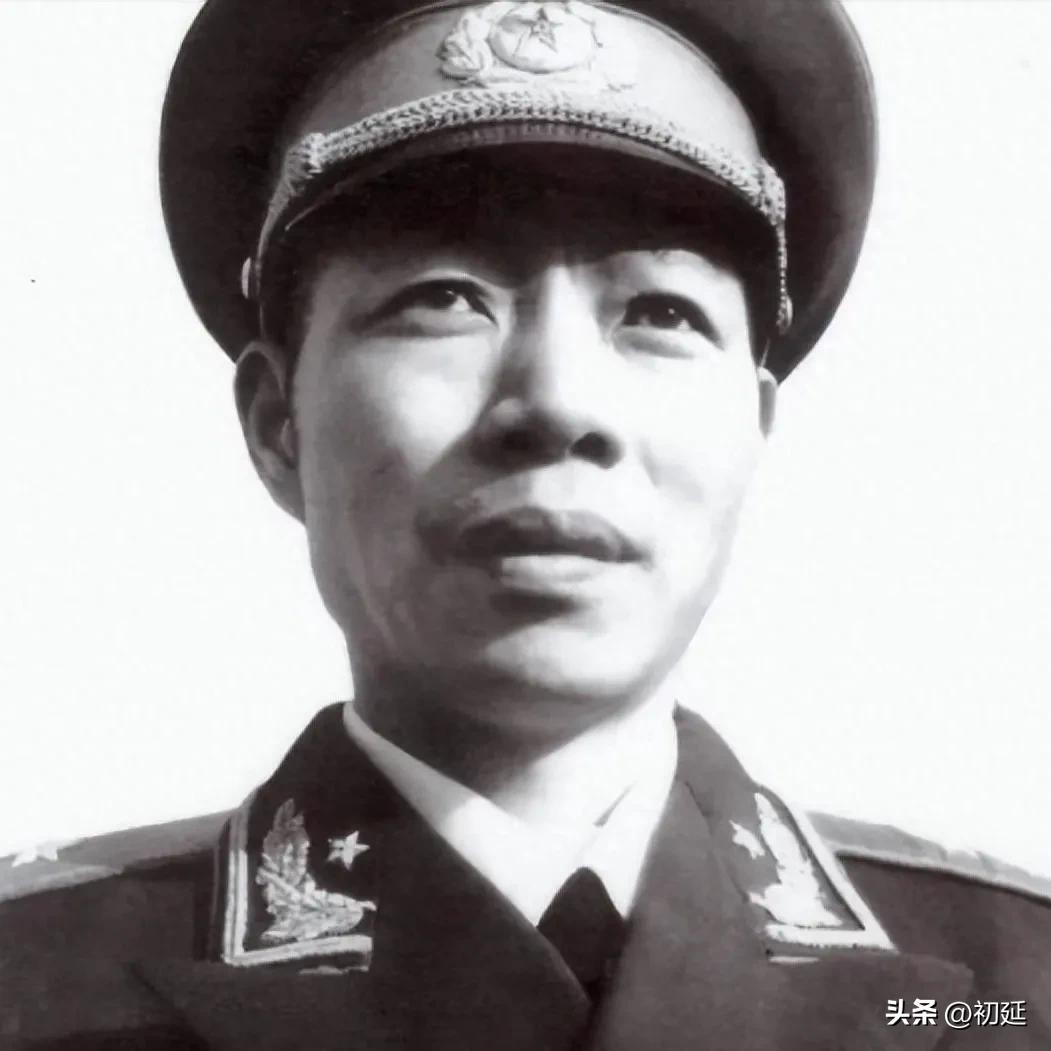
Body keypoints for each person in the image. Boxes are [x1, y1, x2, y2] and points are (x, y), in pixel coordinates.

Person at [2, 0, 1049, 1047]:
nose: (558, 404)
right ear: (280, 426)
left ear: (753, 426)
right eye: (441, 300)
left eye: (660, 314)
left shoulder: (1013, 989)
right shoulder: (33, 986)